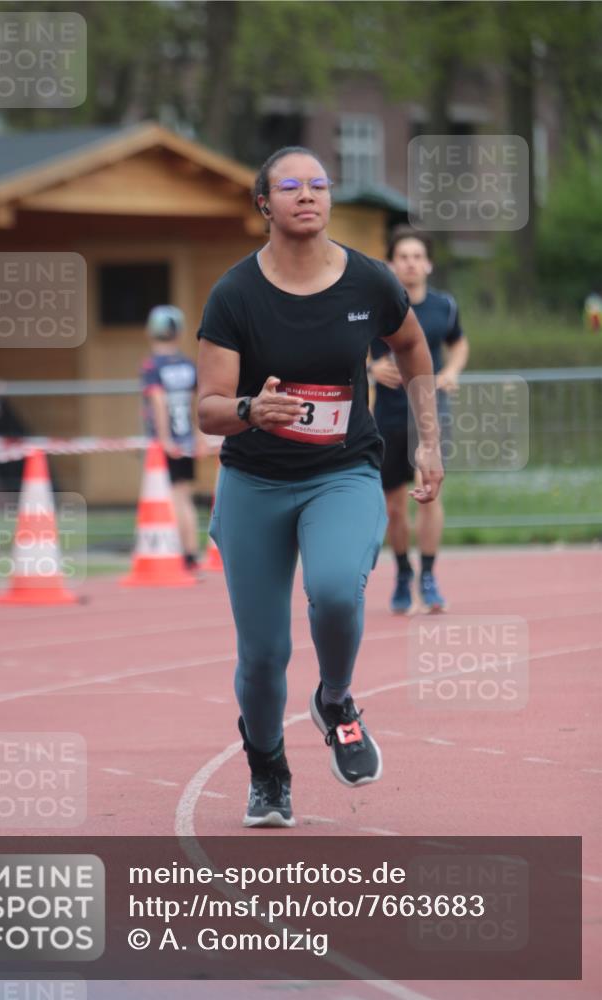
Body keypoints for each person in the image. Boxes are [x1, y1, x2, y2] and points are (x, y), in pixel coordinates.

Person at [196, 147, 443, 828]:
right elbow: (208, 408)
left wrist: (427, 438)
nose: (307, 195)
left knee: (335, 588)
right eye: (290, 186)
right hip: (254, 481)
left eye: (318, 185)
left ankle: (335, 699)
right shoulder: (235, 294)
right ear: (263, 204)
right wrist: (250, 410)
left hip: (342, 472)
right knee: (263, 655)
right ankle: (268, 768)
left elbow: (414, 348)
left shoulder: (369, 282)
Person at [370, 227, 468, 614]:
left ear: (427, 263)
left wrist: (454, 370)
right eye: (403, 256)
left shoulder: (444, 306)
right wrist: (371, 366)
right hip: (389, 415)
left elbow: (458, 342)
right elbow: (349, 347)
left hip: (430, 414)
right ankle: (402, 573)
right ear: (392, 264)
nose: (410, 263)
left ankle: (428, 575)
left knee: (429, 494)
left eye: (417, 256)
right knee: (394, 505)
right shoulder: (379, 306)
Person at [141, 305, 204, 575]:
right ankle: (190, 554)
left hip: (166, 442)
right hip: (187, 439)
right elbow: (198, 402)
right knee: (184, 497)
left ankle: (179, 554)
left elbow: (157, 400)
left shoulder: (151, 366)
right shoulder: (188, 364)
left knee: (169, 498)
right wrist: (199, 436)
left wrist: (164, 438)